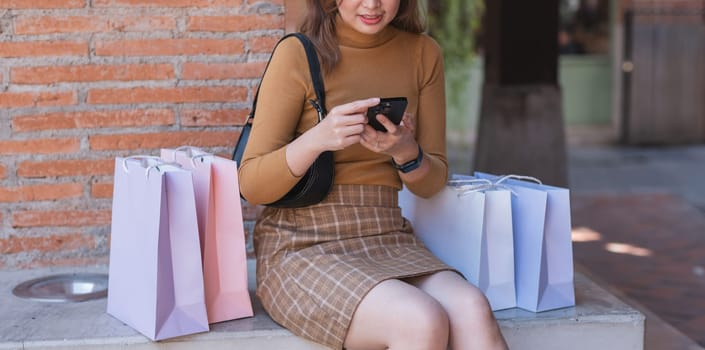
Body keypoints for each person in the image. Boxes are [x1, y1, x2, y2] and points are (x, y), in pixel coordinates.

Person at [238, 0, 508, 349]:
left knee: (472, 307)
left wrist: (404, 150)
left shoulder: (423, 54)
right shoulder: (298, 54)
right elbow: (252, 183)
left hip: (386, 233)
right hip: (302, 243)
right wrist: (318, 139)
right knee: (420, 320)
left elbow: (431, 182)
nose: (372, 4)